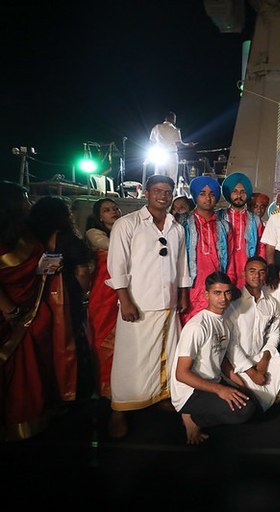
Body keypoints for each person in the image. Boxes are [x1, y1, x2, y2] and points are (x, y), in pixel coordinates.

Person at [106, 174, 192, 438]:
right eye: (157, 191)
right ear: (146, 193)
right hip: (138, 303)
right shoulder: (127, 224)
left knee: (166, 354)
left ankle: (159, 396)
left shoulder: (176, 227)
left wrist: (183, 294)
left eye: (167, 192)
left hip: (168, 303)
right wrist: (125, 300)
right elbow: (117, 265)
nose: (163, 196)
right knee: (129, 359)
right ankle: (119, 410)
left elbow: (181, 264)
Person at [170, 271, 258, 445]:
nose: (223, 298)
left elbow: (220, 358)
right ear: (207, 295)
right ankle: (192, 419)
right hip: (190, 391)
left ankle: (205, 410)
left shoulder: (224, 322)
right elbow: (181, 374)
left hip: (212, 382)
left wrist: (241, 385)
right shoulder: (197, 326)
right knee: (245, 411)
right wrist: (220, 390)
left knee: (253, 401)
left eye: (227, 292)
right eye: (217, 293)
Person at [0, 181, 55, 441]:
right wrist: (9, 309)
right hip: (9, 313)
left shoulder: (26, 230)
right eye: (23, 198)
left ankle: (26, 420)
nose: (28, 203)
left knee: (27, 371)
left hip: (30, 306)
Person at [29, 196, 94, 402]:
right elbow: (82, 271)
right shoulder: (68, 239)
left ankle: (50, 391)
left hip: (36, 296)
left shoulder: (30, 238)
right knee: (72, 337)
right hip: (66, 295)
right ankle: (74, 390)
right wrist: (84, 291)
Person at [225, 256, 280, 412]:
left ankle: (268, 400)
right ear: (244, 274)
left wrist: (265, 359)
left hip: (260, 357)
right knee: (254, 397)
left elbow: (274, 333)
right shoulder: (233, 303)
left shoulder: (271, 303)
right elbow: (231, 344)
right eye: (252, 271)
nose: (257, 276)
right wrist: (252, 373)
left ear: (266, 275)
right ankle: (263, 401)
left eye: (261, 272)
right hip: (239, 363)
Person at [180, 176, 236, 324]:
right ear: (195, 196)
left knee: (215, 325)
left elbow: (230, 259)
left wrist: (229, 284)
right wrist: (181, 290)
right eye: (202, 194)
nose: (207, 198)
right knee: (191, 326)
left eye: (212, 194)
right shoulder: (184, 224)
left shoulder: (224, 226)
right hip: (192, 287)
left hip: (217, 287)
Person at [85, 198, 122, 398]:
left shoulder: (123, 231)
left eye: (115, 208)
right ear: (99, 216)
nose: (113, 212)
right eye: (107, 210)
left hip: (121, 292)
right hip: (103, 294)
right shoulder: (94, 233)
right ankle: (104, 387)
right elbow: (114, 247)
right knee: (103, 338)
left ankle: (121, 385)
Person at [217, 172, 261, 290]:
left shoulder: (255, 220)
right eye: (235, 191)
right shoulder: (218, 217)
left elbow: (261, 247)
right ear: (229, 194)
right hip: (223, 267)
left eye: (242, 192)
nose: (239, 195)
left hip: (247, 268)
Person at [148, 111, 197, 185]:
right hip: (171, 155)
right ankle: (171, 192)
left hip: (159, 155)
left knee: (158, 176)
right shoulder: (175, 130)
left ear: (165, 119)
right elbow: (179, 144)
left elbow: (151, 142)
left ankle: (157, 191)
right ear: (173, 119)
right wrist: (189, 145)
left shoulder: (157, 127)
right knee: (172, 177)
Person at [249, 192, 270, 258]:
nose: (259, 210)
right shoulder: (245, 224)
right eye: (255, 207)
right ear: (250, 208)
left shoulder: (267, 225)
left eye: (262, 207)